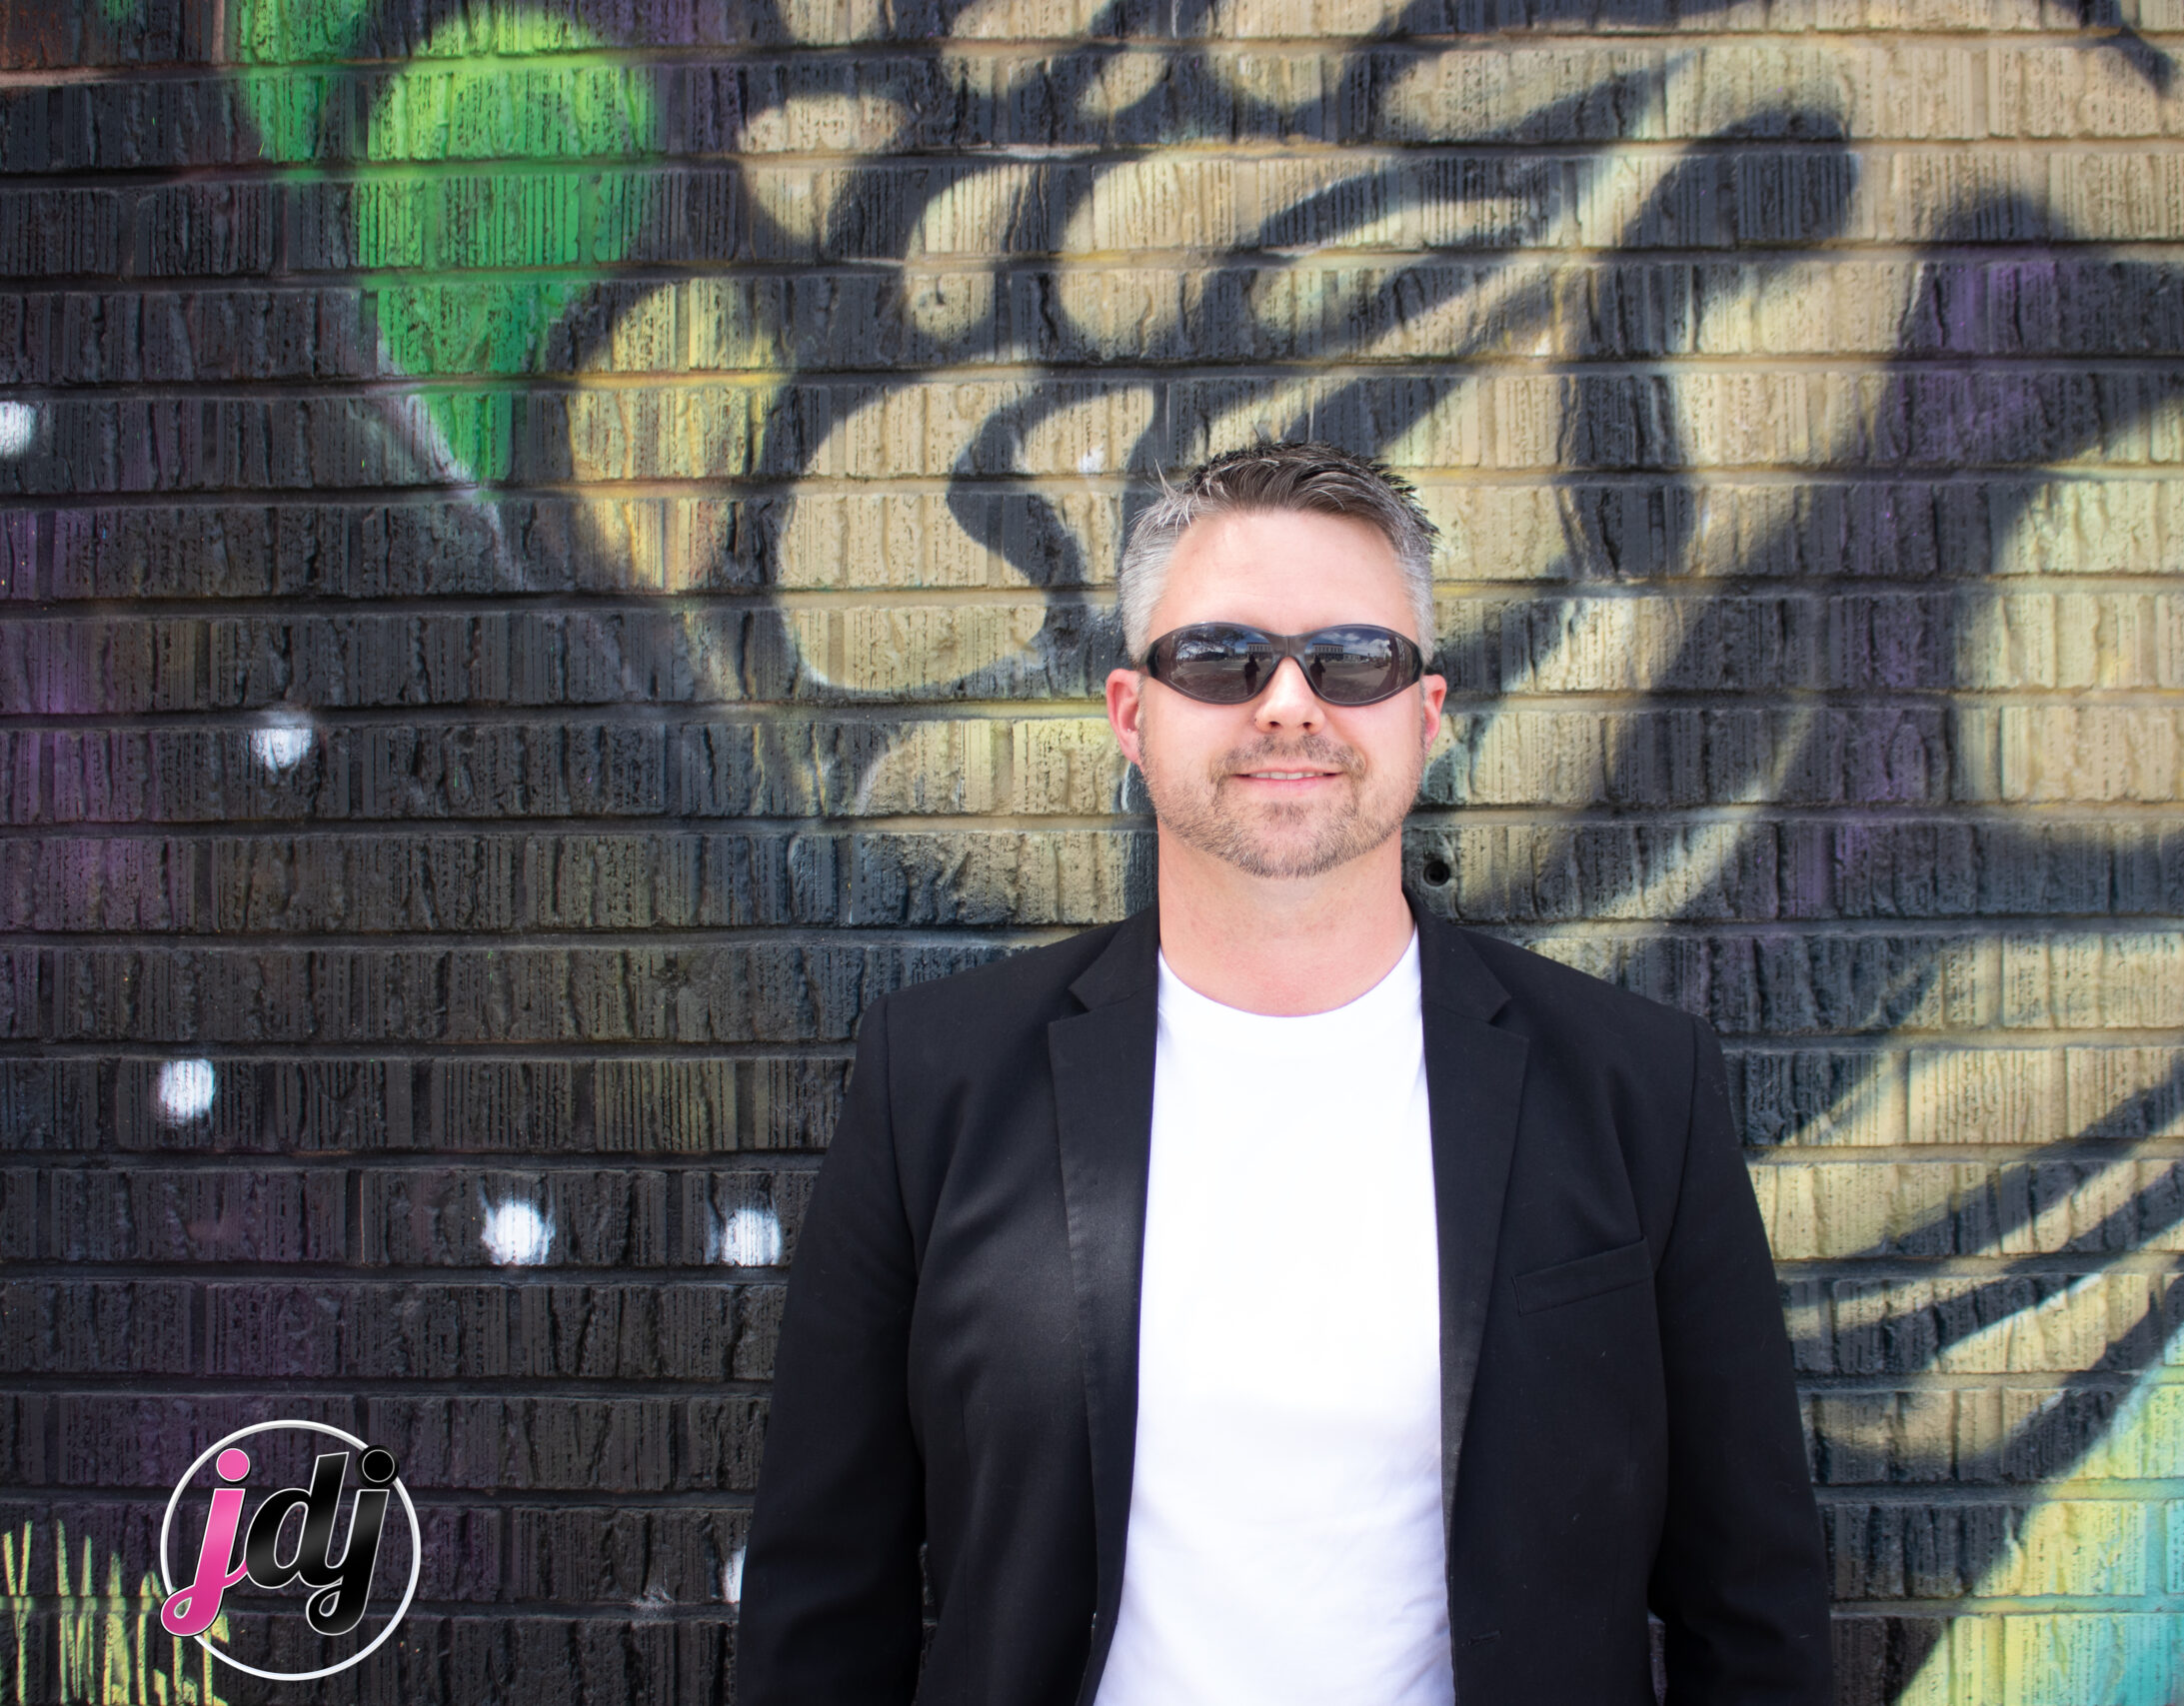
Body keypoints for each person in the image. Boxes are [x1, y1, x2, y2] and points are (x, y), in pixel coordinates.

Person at [736, 442, 1832, 1706]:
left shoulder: (1636, 1089)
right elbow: (824, 1596)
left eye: (1353, 659)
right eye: (1221, 657)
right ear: (1129, 716)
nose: (1289, 704)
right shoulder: (937, 1079)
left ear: (1425, 716)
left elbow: (1751, 1608)